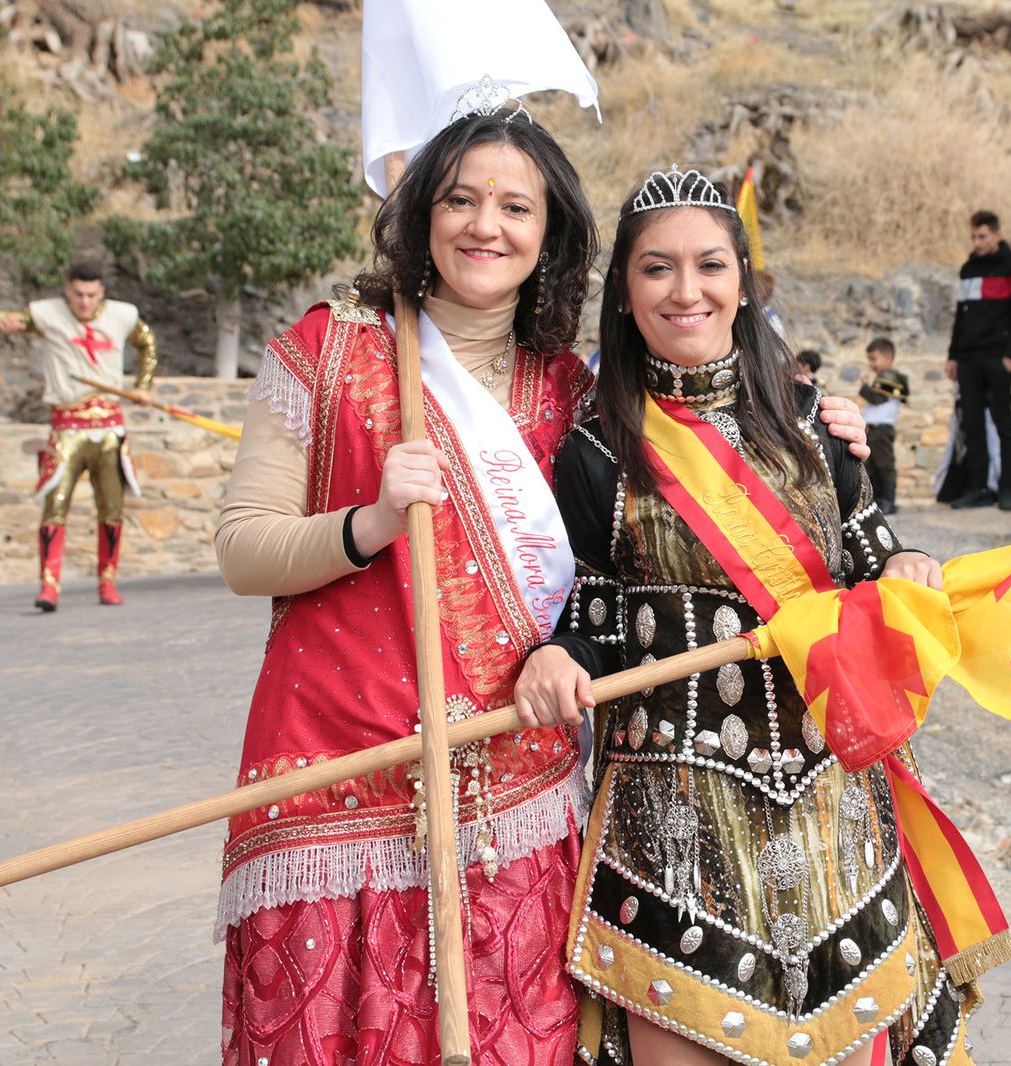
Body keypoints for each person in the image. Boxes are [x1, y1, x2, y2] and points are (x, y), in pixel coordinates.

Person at [212, 121, 870, 1066]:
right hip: (335, 771)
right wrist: (370, 523)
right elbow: (242, 551)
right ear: (421, 214)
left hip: (517, 787)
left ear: (551, 233)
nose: (487, 226)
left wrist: (819, 430)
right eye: (461, 200)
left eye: (517, 206)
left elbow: (695, 518)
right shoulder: (326, 352)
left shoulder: (578, 396)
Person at [516, 164, 972, 1066]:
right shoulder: (597, 447)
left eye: (710, 266)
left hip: (830, 795)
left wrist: (910, 567)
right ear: (624, 291)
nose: (686, 292)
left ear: (743, 281)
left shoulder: (811, 422)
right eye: (657, 269)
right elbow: (591, 614)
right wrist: (555, 656)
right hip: (669, 815)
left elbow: (873, 555)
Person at [0, 263, 157, 611]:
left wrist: (142, 386)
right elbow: (3, 317)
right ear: (68, 290)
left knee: (112, 508)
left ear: (102, 291)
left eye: (92, 294)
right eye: (78, 294)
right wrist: (3, 322)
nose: (84, 302)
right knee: (56, 504)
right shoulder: (49, 314)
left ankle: (107, 582)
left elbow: (147, 343)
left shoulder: (122, 315)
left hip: (109, 427)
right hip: (67, 426)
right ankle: (49, 587)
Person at [946, 209, 1011, 511]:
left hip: (996, 356)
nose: (977, 242)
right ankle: (978, 487)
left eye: (982, 236)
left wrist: (1009, 353)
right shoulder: (968, 268)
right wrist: (953, 355)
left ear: (996, 235)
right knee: (972, 424)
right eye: (974, 236)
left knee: (1004, 422)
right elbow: (961, 314)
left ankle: (1009, 486)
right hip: (968, 358)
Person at [859, 336, 909, 514]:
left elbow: (877, 398)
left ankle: (888, 501)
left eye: (874, 359)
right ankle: (878, 500)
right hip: (873, 430)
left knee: (885, 465)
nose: (872, 364)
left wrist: (864, 386)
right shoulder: (882, 378)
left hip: (882, 429)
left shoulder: (893, 378)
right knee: (871, 466)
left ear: (888, 357)